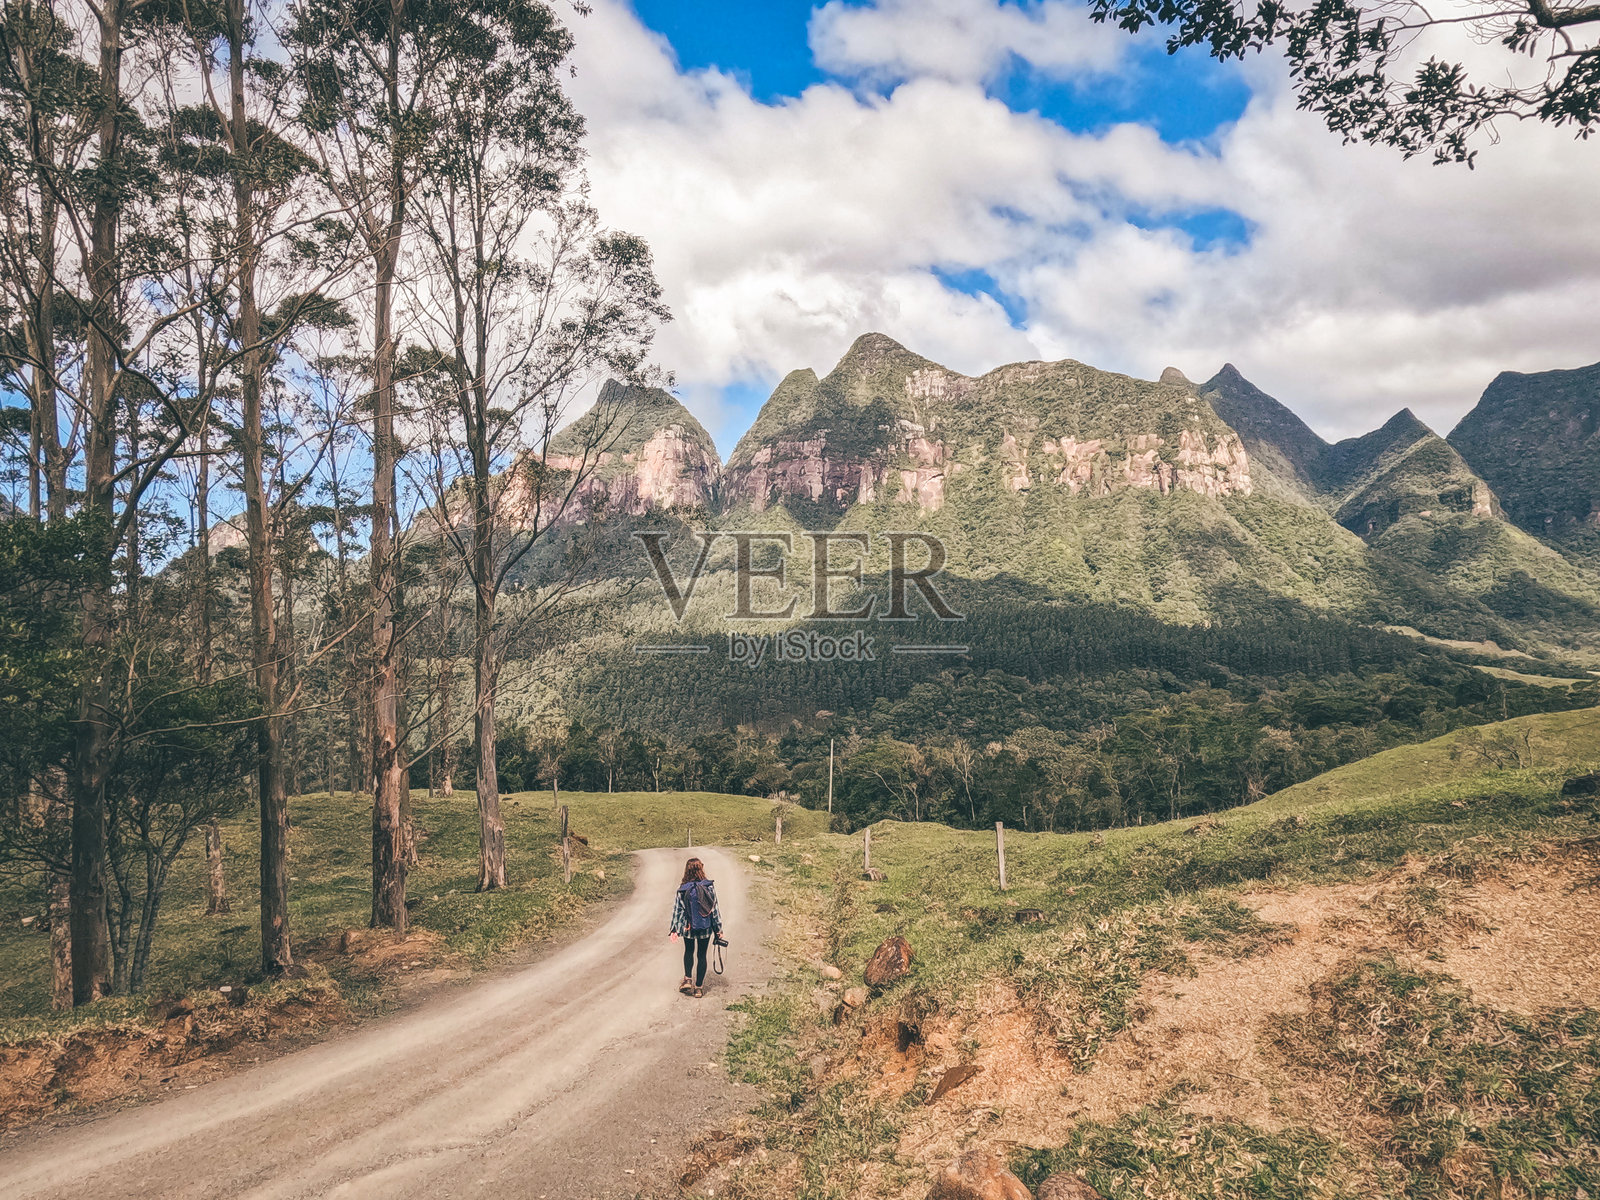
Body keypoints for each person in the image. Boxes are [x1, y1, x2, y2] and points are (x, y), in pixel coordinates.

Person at [669, 857, 722, 998]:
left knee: (689, 951)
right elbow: (714, 909)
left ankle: (687, 979)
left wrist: (675, 928)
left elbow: (677, 910)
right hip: (705, 928)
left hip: (689, 927)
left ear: (686, 870)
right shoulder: (708, 887)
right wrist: (718, 929)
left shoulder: (682, 889)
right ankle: (698, 988)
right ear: (701, 869)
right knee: (702, 955)